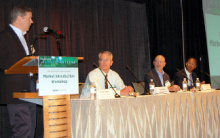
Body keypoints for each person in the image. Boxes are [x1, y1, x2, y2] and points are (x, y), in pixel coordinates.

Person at [0, 5, 36, 138]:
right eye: (30, 18)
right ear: (20, 18)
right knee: (22, 130)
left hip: (30, 89)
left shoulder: (24, 38)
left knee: (30, 129)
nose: (32, 22)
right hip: (15, 90)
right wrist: (19, 66)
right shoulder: (4, 36)